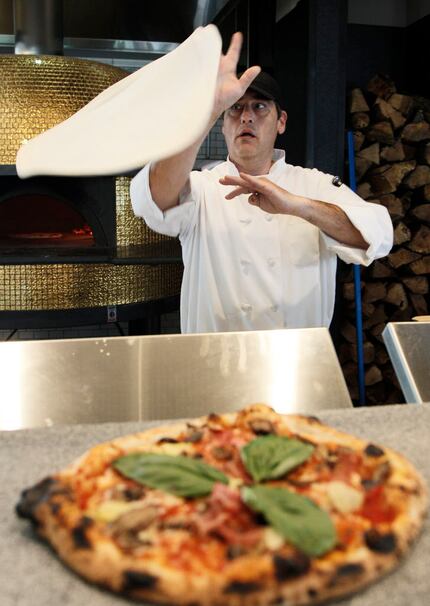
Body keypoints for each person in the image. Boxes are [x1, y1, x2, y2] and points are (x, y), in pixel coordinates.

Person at [130, 33, 393, 333]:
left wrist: (296, 205)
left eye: (259, 107)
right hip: (217, 364)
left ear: (281, 122)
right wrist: (209, 108)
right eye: (235, 109)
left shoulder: (312, 184)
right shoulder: (203, 188)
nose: (246, 117)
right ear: (224, 124)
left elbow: (379, 234)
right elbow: (151, 201)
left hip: (297, 365)